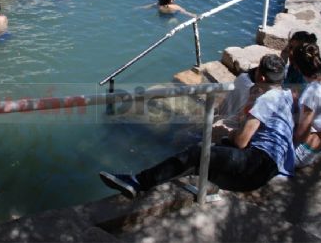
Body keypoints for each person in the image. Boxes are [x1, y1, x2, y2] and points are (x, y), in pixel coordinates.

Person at [99, 54, 295, 198]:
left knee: (197, 153)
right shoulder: (285, 95)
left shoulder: (264, 100)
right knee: (207, 153)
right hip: (273, 165)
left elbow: (242, 141)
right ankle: (182, 180)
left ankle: (138, 182)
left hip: (256, 166)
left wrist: (233, 130)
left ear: (260, 77)